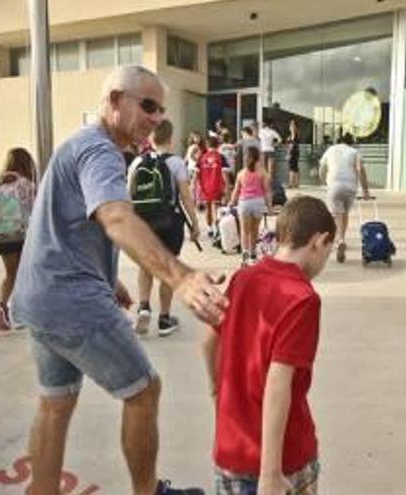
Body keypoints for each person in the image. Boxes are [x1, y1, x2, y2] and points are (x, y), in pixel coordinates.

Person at [9, 65, 227, 495]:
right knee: (144, 391)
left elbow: (65, 223)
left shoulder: (79, 145)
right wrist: (180, 277)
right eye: (147, 106)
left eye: (161, 111)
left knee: (55, 403)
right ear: (113, 100)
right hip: (71, 301)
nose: (155, 118)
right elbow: (115, 216)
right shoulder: (100, 150)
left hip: (39, 298)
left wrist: (108, 279)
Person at [202, 196, 336, 495]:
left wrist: (217, 392)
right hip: (283, 457)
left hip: (231, 447)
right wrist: (270, 473)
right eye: (328, 251)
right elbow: (278, 383)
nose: (325, 261)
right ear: (319, 241)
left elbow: (209, 342)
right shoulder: (302, 298)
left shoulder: (243, 278)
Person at [129, 119, 201, 337]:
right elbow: (186, 196)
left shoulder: (137, 162)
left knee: (145, 266)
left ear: (150, 138)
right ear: (170, 138)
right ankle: (164, 318)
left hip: (144, 223)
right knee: (167, 269)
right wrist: (194, 223)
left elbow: (128, 194)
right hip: (169, 222)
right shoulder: (176, 163)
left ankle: (143, 307)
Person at [0, 147, 37, 333]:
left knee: (10, 274)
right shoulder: (28, 185)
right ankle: (21, 312)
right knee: (25, 274)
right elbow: (35, 211)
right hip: (23, 235)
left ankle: (1, 305)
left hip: (3, 235)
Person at [318, 133, 371, 263]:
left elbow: (322, 167)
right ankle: (342, 238)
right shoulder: (354, 152)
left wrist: (323, 180)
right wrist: (365, 191)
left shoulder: (331, 149)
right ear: (351, 142)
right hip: (350, 187)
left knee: (337, 214)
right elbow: (360, 170)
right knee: (344, 213)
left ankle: (340, 240)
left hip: (334, 185)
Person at [229, 146, 272, 266]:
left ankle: (244, 256)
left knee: (244, 231)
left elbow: (236, 191)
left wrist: (231, 202)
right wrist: (269, 207)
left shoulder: (241, 173)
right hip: (258, 202)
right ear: (258, 158)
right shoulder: (263, 173)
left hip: (244, 203)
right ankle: (253, 255)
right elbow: (267, 191)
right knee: (254, 231)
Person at [196, 136, 228, 240]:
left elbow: (196, 174)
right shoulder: (221, 157)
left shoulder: (201, 157)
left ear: (207, 145)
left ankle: (209, 228)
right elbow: (224, 174)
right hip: (217, 185)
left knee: (208, 208)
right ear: (218, 145)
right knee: (215, 208)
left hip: (204, 186)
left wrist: (196, 187)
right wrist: (227, 187)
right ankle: (216, 229)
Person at [287, 120, 301, 189]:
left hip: (294, 152)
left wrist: (289, 152)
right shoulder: (291, 135)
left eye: (293, 125)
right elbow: (289, 145)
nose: (291, 126)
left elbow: (293, 144)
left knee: (292, 168)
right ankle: (295, 184)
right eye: (290, 125)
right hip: (293, 152)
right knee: (294, 168)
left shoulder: (295, 134)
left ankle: (292, 183)